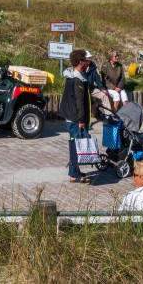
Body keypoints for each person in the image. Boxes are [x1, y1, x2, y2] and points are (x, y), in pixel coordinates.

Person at [59, 48, 93, 184]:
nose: (88, 62)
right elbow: (79, 101)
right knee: (75, 144)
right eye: (86, 60)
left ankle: (75, 171)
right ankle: (73, 174)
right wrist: (81, 120)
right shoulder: (77, 80)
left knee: (76, 143)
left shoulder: (73, 75)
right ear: (81, 62)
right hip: (74, 118)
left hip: (71, 116)